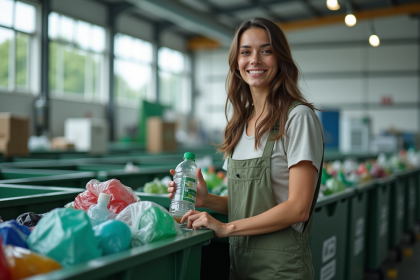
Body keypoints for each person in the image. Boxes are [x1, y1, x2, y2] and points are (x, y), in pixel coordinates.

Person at [167, 17, 324, 279]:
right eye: (245, 52)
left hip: (281, 269)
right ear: (236, 63)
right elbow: (247, 206)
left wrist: (226, 228)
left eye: (266, 50)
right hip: (240, 266)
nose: (255, 60)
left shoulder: (298, 118)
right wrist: (207, 201)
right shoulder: (239, 125)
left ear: (280, 58)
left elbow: (298, 207)